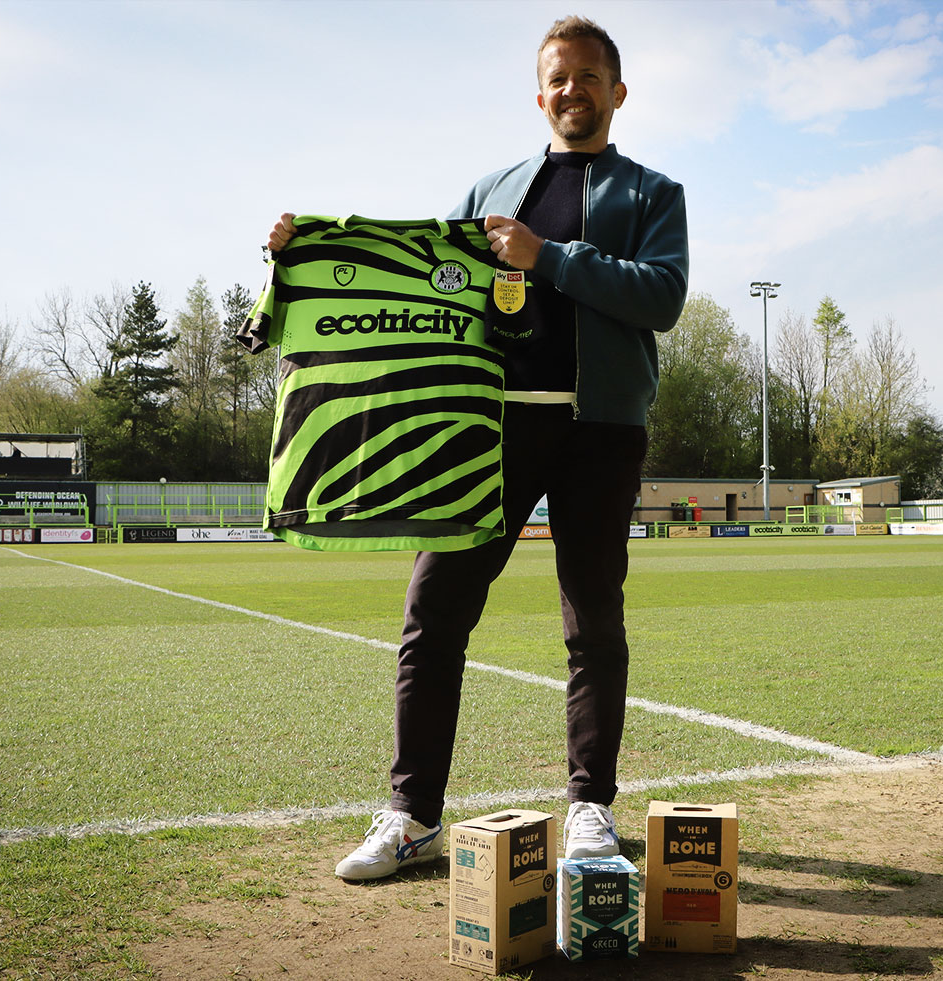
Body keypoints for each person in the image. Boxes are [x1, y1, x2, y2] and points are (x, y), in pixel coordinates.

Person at [267, 15, 688, 881]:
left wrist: (548, 257)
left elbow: (663, 297)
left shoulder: (652, 192)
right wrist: (304, 256)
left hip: (603, 430)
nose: (572, 89)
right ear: (539, 96)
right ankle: (413, 816)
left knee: (593, 621)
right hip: (486, 431)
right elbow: (428, 283)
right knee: (434, 613)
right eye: (557, 77)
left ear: (617, 92)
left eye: (588, 76)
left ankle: (591, 808)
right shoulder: (492, 187)